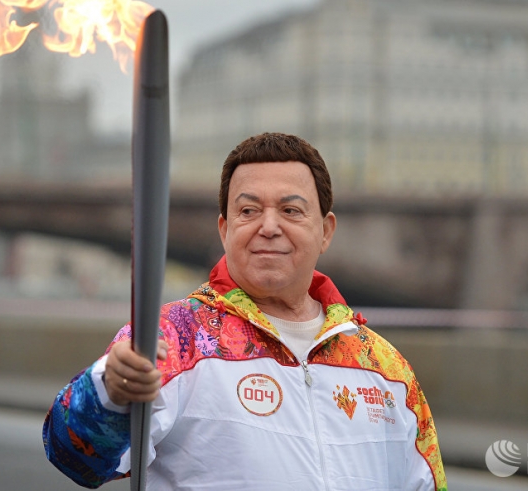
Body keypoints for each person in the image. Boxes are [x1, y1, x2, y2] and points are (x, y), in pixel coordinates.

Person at [43, 132, 446, 490]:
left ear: (325, 231)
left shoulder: (385, 369)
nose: (268, 226)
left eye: (291, 210)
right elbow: (76, 458)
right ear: (225, 229)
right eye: (249, 211)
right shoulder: (171, 338)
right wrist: (107, 394)